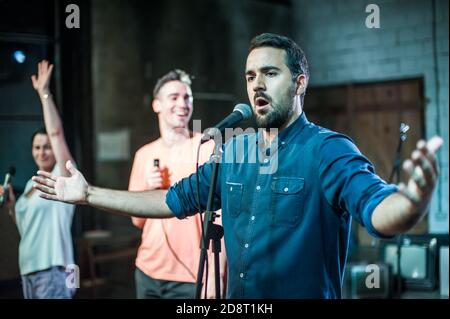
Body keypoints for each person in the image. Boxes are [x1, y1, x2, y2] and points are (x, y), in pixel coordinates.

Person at [33, 33, 443, 299]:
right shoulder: (235, 152)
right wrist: (87, 194)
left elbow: (378, 208)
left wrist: (412, 202)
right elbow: (172, 200)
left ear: (300, 82)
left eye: (270, 73)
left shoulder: (327, 151)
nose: (257, 85)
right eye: (250, 76)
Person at [128, 69, 226, 299]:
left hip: (191, 276)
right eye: (174, 97)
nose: (182, 103)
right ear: (156, 105)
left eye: (187, 97)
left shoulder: (207, 147)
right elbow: (137, 221)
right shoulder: (144, 154)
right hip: (147, 271)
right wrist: (148, 191)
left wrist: (215, 275)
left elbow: (222, 219)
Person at [0, 60, 76, 299]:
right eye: (37, 147)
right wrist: (12, 207)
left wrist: (44, 93)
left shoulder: (63, 177)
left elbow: (56, 133)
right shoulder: (34, 183)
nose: (42, 151)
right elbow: (28, 228)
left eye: (47, 147)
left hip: (54, 270)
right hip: (29, 268)